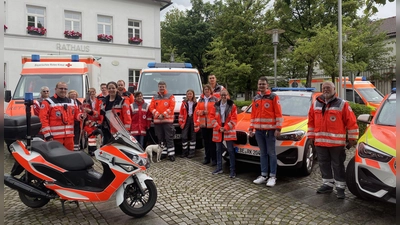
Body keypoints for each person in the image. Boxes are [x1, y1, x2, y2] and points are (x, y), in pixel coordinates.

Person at [307, 81, 359, 199]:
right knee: (323, 164)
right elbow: (311, 122)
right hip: (320, 142)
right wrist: (311, 137)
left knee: (338, 165)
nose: (326, 89)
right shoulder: (316, 104)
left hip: (336, 144)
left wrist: (352, 138)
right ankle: (327, 184)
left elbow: (351, 122)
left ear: (334, 89)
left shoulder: (342, 104)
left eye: (328, 88)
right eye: (324, 88)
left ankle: (340, 188)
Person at [249, 76, 283, 187]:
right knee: (263, 153)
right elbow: (253, 115)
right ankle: (263, 175)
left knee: (271, 153)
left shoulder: (273, 97)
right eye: (260, 84)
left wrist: (278, 128)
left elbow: (278, 114)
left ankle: (272, 176)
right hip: (259, 131)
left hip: (270, 131)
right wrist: (251, 128)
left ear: (267, 85)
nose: (261, 86)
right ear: (257, 86)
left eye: (263, 84)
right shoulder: (256, 98)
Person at [39, 82, 85, 151]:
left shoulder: (71, 102)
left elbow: (76, 114)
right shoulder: (48, 102)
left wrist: (81, 116)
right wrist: (48, 135)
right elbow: (43, 119)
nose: (63, 90)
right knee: (55, 158)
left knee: (69, 157)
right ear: (55, 89)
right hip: (54, 138)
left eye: (65, 89)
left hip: (69, 137)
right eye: (61, 88)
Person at [211, 89, 237, 178]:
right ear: (219, 95)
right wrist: (218, 127)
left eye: (225, 95)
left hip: (228, 129)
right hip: (218, 129)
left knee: (230, 150)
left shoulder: (232, 106)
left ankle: (232, 170)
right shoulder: (215, 105)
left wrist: (225, 128)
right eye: (222, 95)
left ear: (228, 95)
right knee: (218, 150)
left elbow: (234, 119)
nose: (223, 96)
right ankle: (219, 168)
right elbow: (212, 117)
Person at [149, 81, 176, 161]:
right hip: (158, 122)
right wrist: (157, 115)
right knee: (160, 138)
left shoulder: (170, 96)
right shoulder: (154, 97)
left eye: (163, 86)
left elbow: (172, 107)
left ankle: (171, 154)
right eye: (160, 86)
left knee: (169, 138)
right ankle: (163, 153)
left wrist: (163, 115)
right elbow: (151, 107)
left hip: (167, 121)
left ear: (165, 86)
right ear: (158, 87)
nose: (161, 88)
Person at [194, 84, 218, 165]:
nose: (206, 91)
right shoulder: (200, 100)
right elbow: (196, 111)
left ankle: (214, 159)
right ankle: (207, 158)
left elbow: (217, 111)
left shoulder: (215, 99)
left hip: (212, 124)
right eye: (205, 89)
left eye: (208, 89)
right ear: (203, 91)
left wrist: (210, 113)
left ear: (210, 90)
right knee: (206, 142)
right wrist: (203, 112)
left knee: (212, 142)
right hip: (203, 124)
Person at [178, 89, 197, 158]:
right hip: (186, 120)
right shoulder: (184, 103)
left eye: (190, 94)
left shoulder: (196, 103)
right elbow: (181, 113)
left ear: (193, 95)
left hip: (193, 119)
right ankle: (184, 152)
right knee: (184, 136)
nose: (189, 95)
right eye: (188, 94)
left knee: (193, 136)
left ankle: (191, 153)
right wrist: (180, 122)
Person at [83, 88, 102, 156]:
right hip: (89, 120)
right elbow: (83, 111)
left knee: (99, 136)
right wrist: (86, 120)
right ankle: (92, 150)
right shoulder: (86, 101)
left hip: (97, 119)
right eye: (90, 92)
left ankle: (99, 150)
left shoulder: (99, 100)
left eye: (93, 92)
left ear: (95, 92)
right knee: (91, 136)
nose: (92, 93)